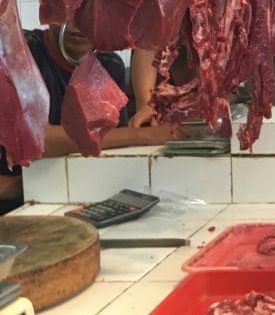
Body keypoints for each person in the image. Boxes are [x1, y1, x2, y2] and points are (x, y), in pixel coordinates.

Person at [0, 22, 179, 213]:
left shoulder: (110, 65)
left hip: (71, 198)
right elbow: (38, 140)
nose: (77, 24)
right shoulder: (21, 54)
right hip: (13, 204)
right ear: (47, 4)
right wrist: (143, 135)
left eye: (89, 10)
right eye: (66, 9)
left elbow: (111, 156)